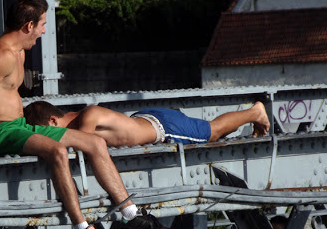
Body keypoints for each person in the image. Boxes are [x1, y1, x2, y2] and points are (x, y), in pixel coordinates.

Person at [0, 0, 171, 229]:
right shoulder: (1, 54)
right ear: (28, 26)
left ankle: (130, 214)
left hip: (19, 126)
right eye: (42, 24)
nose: (44, 30)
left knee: (94, 142)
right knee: (57, 151)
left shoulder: (19, 51)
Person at [23, 101, 270, 147]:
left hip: (164, 127)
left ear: (53, 120)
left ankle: (254, 112)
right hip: (147, 119)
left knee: (213, 132)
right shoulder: (80, 118)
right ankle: (245, 118)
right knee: (211, 131)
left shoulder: (88, 117)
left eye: (47, 133)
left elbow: (80, 149)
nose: (50, 139)